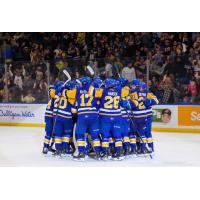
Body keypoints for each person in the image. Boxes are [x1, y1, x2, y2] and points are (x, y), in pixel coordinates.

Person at [62, 76, 101, 161]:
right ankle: (98, 153)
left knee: (79, 134)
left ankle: (82, 153)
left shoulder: (77, 91)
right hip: (94, 116)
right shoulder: (94, 90)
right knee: (95, 136)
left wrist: (62, 88)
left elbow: (65, 94)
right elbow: (103, 96)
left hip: (82, 116)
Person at [94, 78, 129, 160]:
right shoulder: (119, 91)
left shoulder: (102, 91)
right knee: (117, 136)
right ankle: (119, 153)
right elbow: (127, 91)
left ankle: (106, 153)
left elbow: (93, 92)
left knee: (105, 136)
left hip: (106, 117)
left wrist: (98, 85)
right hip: (117, 116)